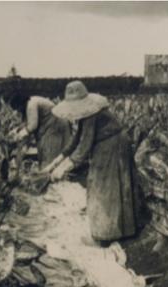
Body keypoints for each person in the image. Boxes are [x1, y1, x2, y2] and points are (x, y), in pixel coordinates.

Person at [42, 81, 140, 245]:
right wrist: (56, 161)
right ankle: (118, 228)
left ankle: (107, 232)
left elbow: (84, 146)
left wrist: (65, 167)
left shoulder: (91, 114)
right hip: (105, 144)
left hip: (113, 145)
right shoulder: (85, 114)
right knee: (106, 186)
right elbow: (75, 139)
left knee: (104, 187)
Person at [9, 94, 73, 169]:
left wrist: (19, 135)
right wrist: (17, 130)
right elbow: (26, 123)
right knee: (44, 153)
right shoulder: (28, 105)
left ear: (20, 104)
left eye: (17, 108)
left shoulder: (31, 105)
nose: (18, 111)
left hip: (55, 126)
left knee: (49, 155)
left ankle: (48, 174)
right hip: (50, 126)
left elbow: (32, 126)